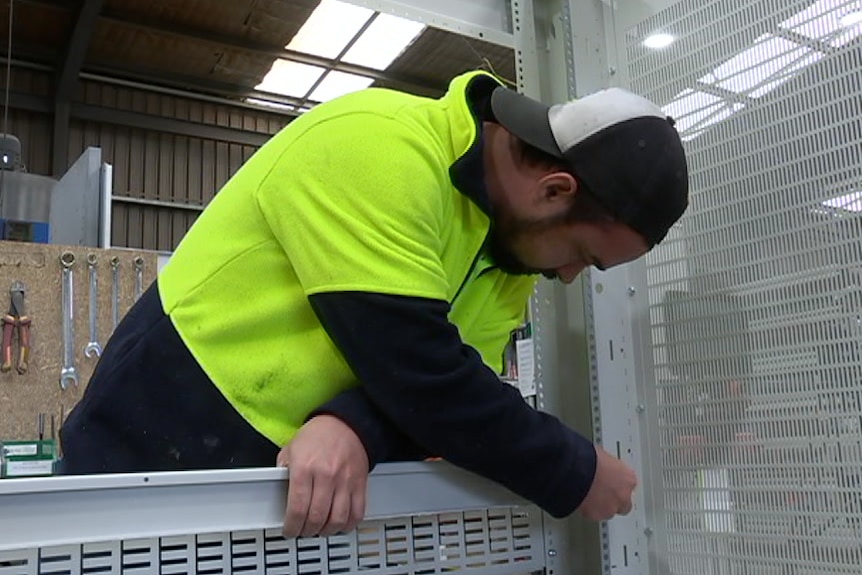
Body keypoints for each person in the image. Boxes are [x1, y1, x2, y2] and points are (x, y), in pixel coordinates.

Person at [59, 69, 689, 538]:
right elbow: (428, 378)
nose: (573, 275)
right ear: (555, 190)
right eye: (585, 253)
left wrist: (351, 424)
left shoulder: (507, 266)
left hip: (289, 490)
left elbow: (442, 383)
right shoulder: (381, 146)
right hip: (159, 437)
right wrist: (577, 469)